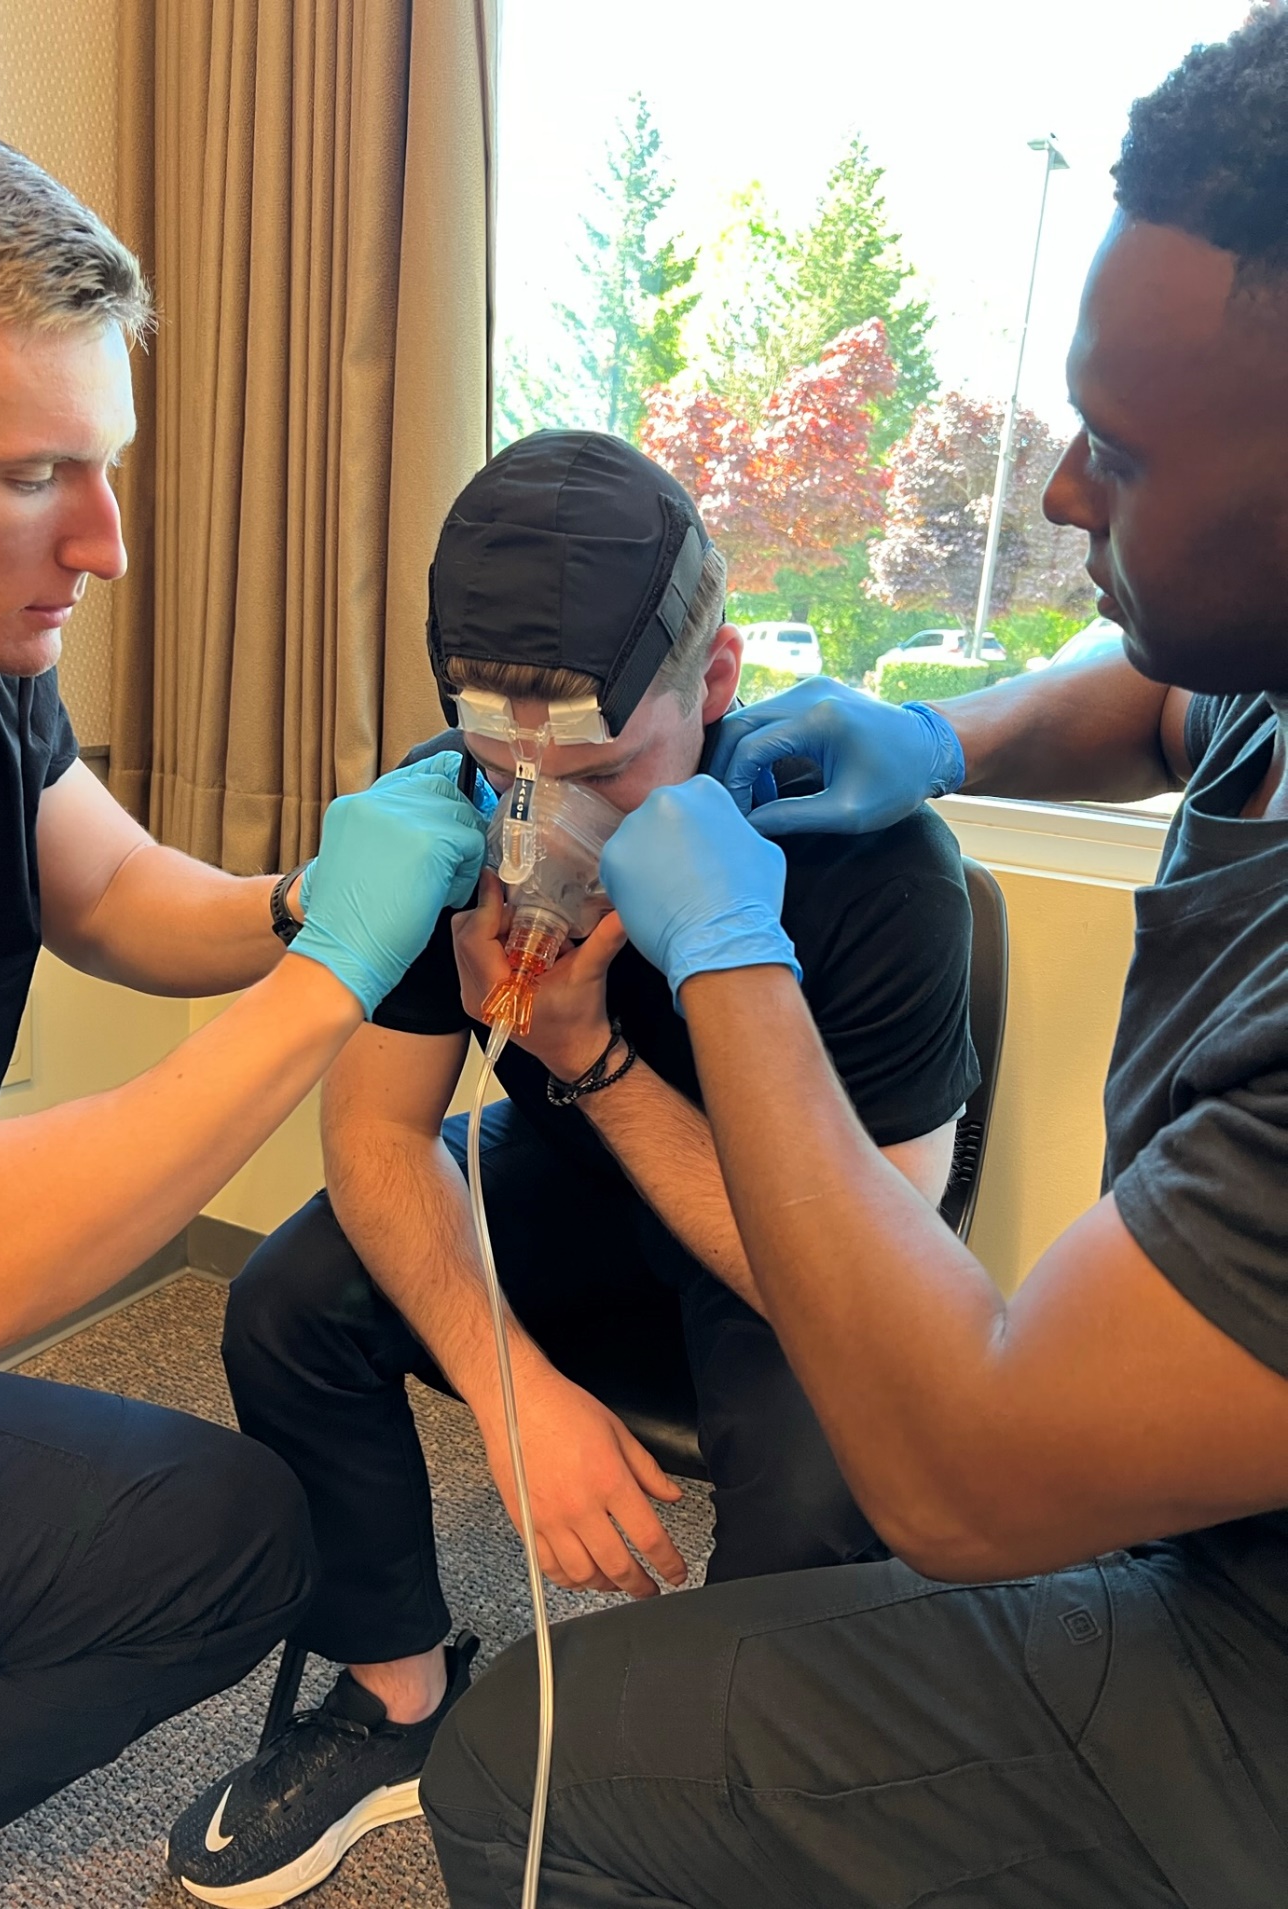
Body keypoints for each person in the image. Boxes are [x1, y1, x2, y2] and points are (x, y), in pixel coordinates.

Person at [422, 16, 1288, 1907]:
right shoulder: (1260, 695)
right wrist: (959, 732)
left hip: (1239, 1676)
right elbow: (1162, 698)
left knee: (532, 1772)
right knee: (296, 1299)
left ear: (708, 682)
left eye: (1123, 458)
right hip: (1187, 1515)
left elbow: (966, 1473)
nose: (1062, 496)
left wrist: (709, 968)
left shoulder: (856, 891)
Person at [166, 427, 981, 1904]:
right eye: (505, 773)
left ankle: (742, 1801)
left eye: (605, 771)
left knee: (822, 1477)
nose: (545, 832)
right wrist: (510, 1385)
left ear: (717, 682)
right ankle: (397, 1707)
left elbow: (863, 1285)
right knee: (286, 1301)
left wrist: (592, 1057)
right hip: (563, 1172)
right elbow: (373, 1135)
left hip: (797, 1236)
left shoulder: (881, 868)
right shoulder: (441, 819)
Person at [0, 94, 490, 1909]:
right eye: (34, 475)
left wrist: (308, 892)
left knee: (230, 1538)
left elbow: (116, 888)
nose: (110, 543)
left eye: (106, 463)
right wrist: (328, 981)